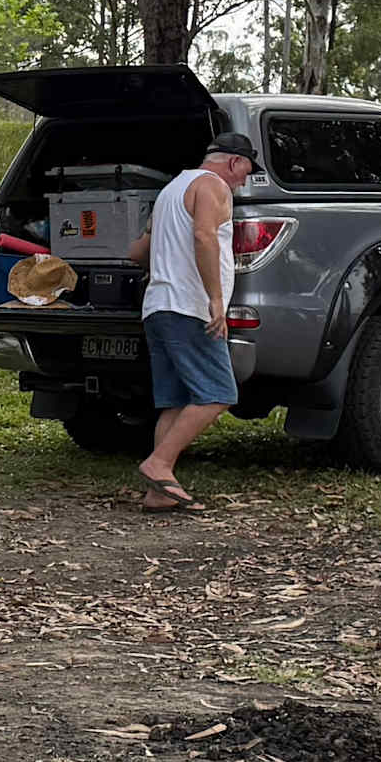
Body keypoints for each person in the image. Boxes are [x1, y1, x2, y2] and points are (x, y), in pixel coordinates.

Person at [136, 127, 257, 510]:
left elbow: (137, 251)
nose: (243, 182)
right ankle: (159, 464)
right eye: (246, 172)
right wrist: (216, 301)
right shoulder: (213, 186)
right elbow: (205, 236)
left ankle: (158, 492)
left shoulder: (170, 190)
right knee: (219, 393)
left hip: (158, 305)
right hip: (190, 307)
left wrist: (165, 261)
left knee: (174, 401)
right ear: (234, 161)